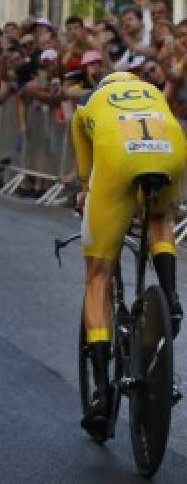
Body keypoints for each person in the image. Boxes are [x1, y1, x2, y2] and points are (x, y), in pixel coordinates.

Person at [71, 70, 187, 440]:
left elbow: (87, 182)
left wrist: (86, 199)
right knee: (159, 216)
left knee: (98, 275)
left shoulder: (87, 106)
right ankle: (170, 295)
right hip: (170, 153)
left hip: (118, 162)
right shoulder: (154, 92)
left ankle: (102, 392)